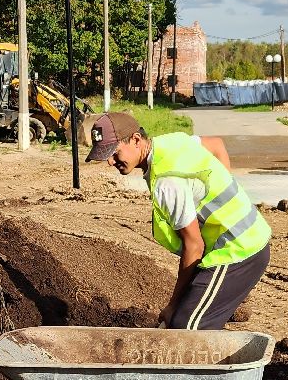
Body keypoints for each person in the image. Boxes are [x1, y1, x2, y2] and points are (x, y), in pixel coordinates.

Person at [85, 112, 272, 329]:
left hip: (238, 250)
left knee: (185, 328)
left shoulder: (166, 183)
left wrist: (173, 305)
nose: (110, 161)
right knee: (187, 320)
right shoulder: (171, 143)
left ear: (136, 140)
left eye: (115, 153)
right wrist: (225, 186)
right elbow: (217, 145)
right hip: (245, 240)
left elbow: (194, 246)